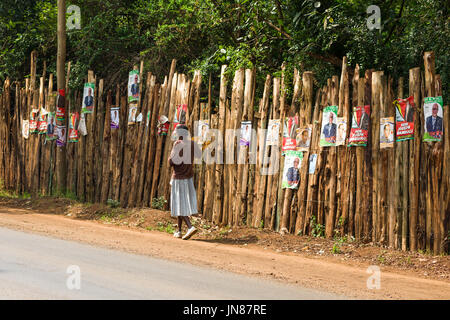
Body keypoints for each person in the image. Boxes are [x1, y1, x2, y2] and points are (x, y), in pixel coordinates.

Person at [169, 125, 202, 240]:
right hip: (189, 177)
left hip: (179, 178)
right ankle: (179, 231)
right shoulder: (192, 143)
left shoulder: (178, 144)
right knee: (181, 203)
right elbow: (199, 155)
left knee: (179, 203)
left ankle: (190, 227)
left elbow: (171, 162)